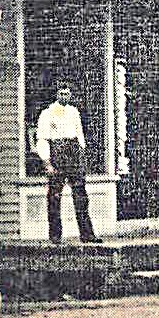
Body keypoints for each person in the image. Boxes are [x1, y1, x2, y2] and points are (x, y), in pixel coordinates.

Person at [35, 82, 101, 243]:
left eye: (67, 93)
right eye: (62, 93)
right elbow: (42, 139)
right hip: (57, 153)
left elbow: (80, 136)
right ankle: (55, 236)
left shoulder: (73, 112)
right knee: (55, 196)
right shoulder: (47, 114)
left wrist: (82, 156)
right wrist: (47, 163)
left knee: (81, 195)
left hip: (74, 153)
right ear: (56, 94)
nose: (65, 96)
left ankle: (87, 234)